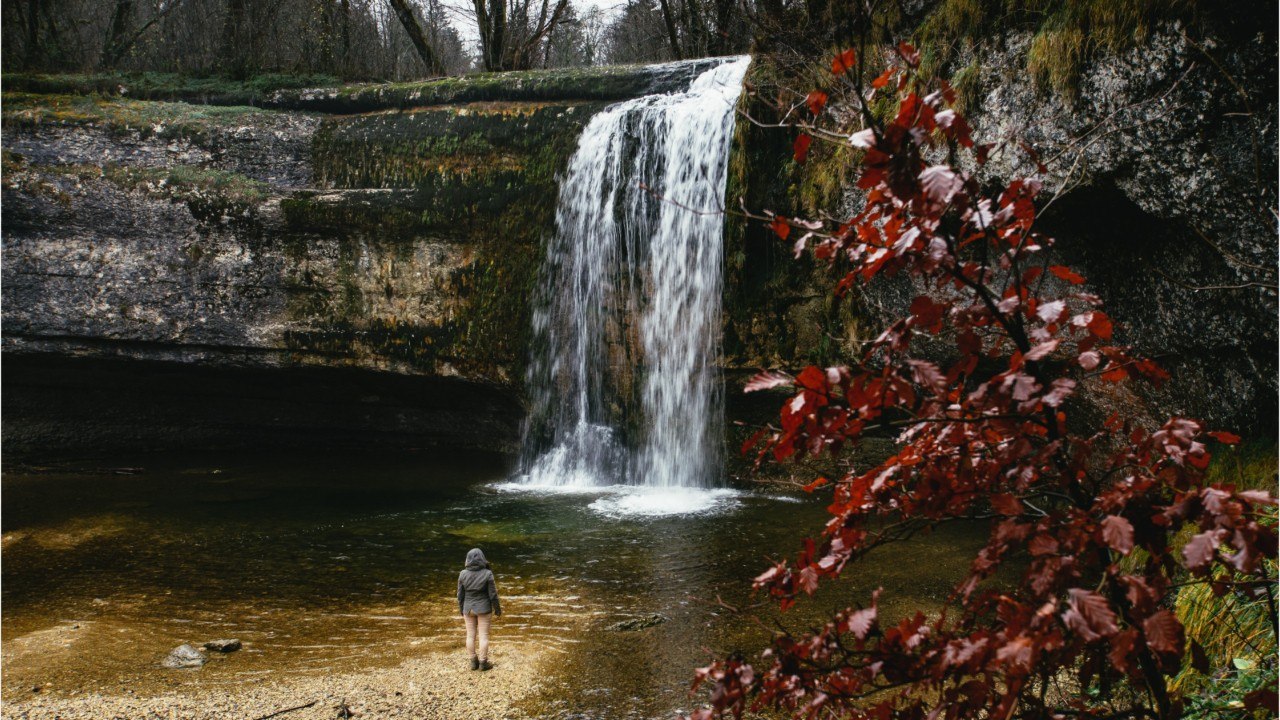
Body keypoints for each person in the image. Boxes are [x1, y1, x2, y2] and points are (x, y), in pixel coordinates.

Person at [457, 547, 501, 670]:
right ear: (482, 559)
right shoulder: (487, 573)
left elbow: (460, 595)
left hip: (468, 608)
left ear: (467, 559)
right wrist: (497, 609)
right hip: (484, 609)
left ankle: (472, 661)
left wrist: (462, 609)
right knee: (483, 636)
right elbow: (493, 595)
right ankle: (483, 663)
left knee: (470, 635)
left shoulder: (462, 574)